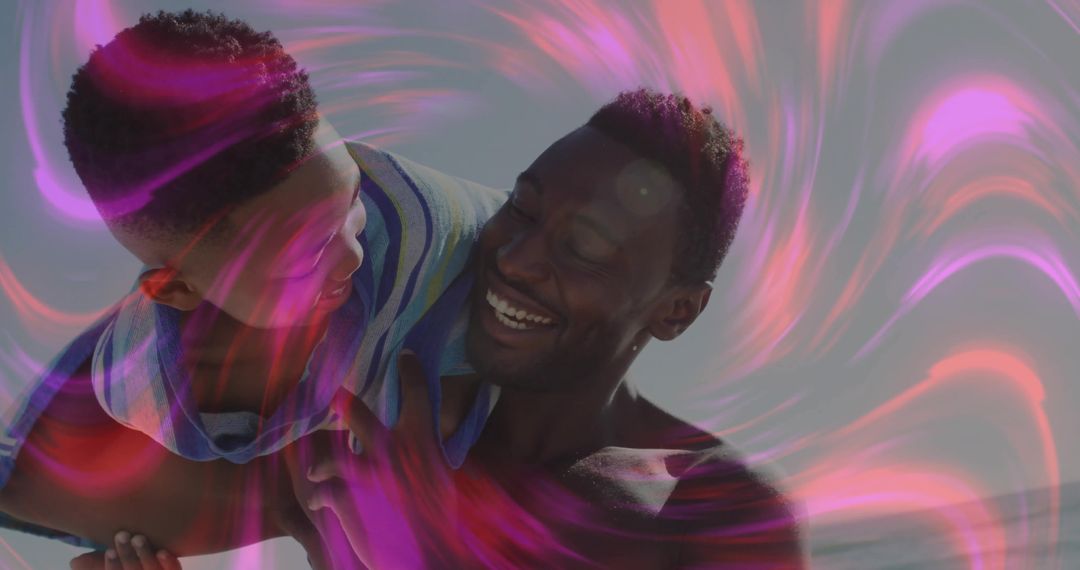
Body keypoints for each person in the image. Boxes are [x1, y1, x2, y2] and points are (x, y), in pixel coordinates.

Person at [0, 10, 503, 567]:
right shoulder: (135, 392)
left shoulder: (426, 224)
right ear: (177, 290)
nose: (351, 257)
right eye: (302, 259)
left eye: (350, 203)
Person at [302, 90, 805, 568]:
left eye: (584, 248)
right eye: (522, 208)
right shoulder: (375, 430)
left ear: (677, 310)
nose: (515, 259)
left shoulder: (713, 508)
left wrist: (427, 553)